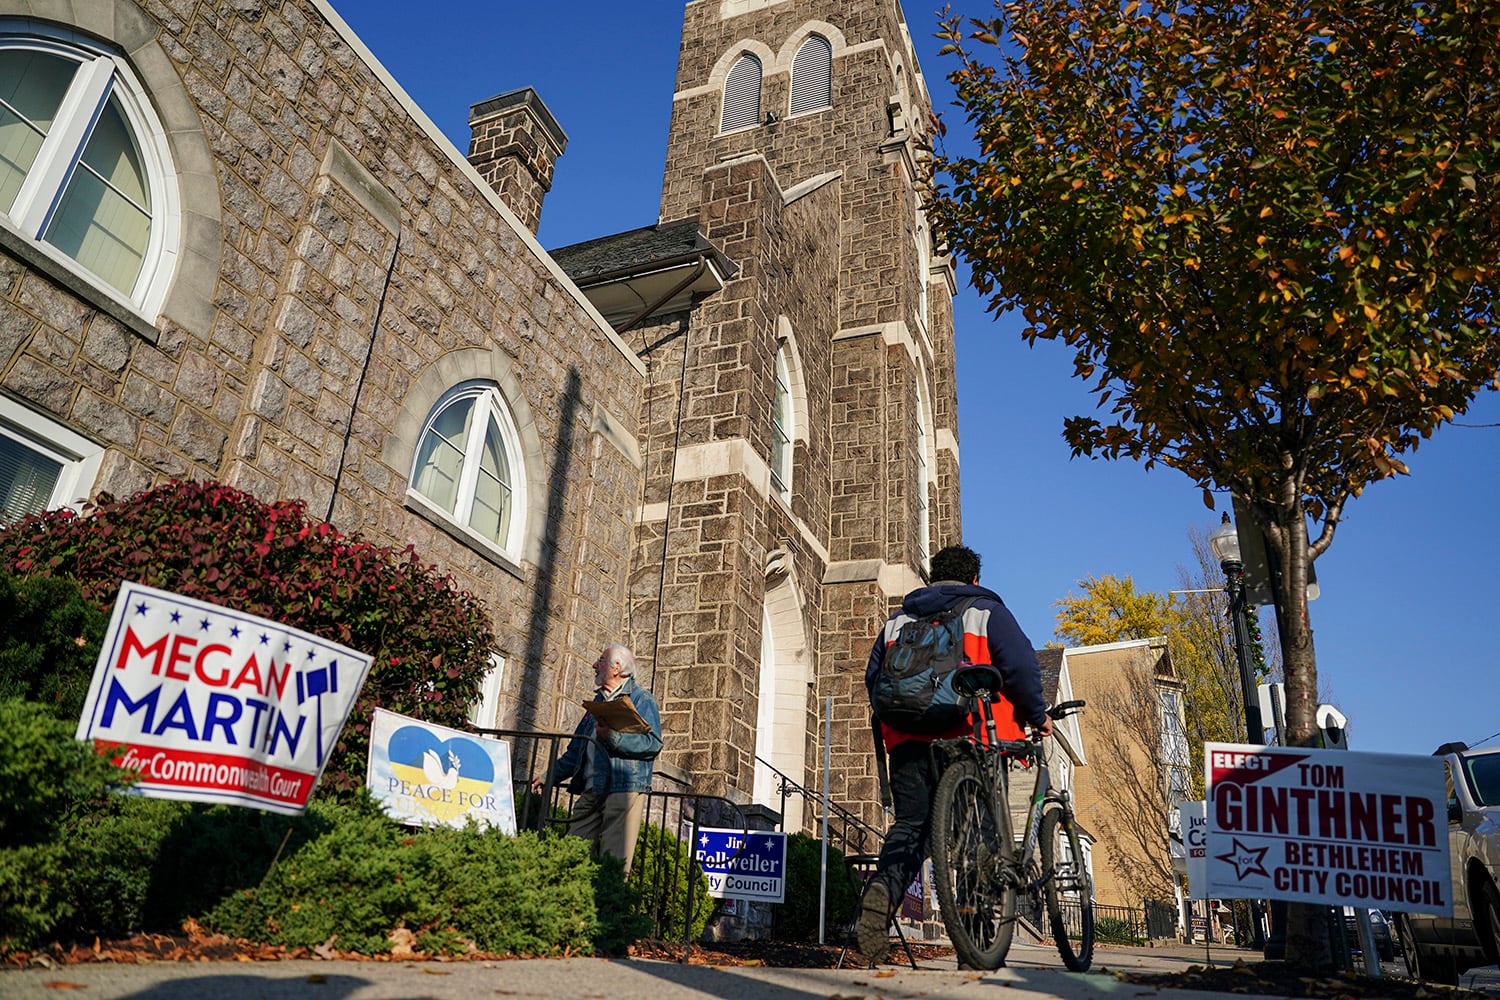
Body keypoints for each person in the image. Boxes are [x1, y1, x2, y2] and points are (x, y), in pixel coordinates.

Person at [857, 544, 1053, 963]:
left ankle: (882, 891)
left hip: (907, 740)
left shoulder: (898, 620)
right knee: (975, 841)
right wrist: (1037, 715)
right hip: (971, 737)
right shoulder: (984, 611)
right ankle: (975, 947)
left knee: (912, 826)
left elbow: (873, 679)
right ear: (974, 579)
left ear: (932, 577)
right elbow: (1020, 667)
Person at [532, 644, 662, 873]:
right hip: (591, 789)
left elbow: (653, 744)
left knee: (613, 865)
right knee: (572, 857)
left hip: (623, 789)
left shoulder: (641, 699)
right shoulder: (596, 704)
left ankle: (607, 908)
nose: (594, 665)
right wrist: (548, 777)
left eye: (601, 660)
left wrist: (613, 738)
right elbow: (575, 752)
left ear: (617, 668)